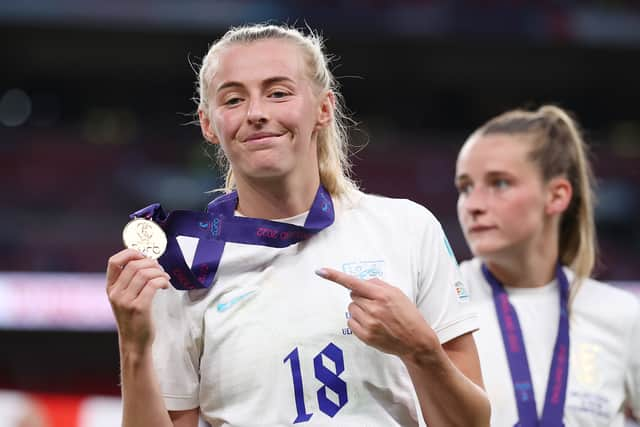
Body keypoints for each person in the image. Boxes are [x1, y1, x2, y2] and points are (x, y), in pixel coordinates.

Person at [106, 23, 490, 427]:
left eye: (278, 93)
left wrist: (420, 350)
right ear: (208, 124)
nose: (256, 113)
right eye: (233, 99)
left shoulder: (407, 228)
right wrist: (133, 347)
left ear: (324, 108)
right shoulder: (185, 266)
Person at [455, 105, 640, 426]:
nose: (473, 205)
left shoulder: (622, 316)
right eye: (465, 187)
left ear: (556, 196)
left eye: (499, 183)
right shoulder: (440, 306)